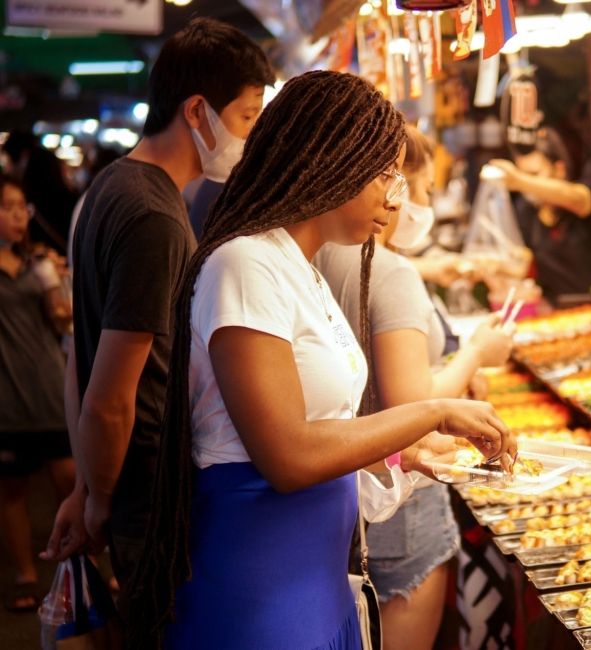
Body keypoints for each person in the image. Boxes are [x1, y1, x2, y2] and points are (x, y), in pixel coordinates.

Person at [125, 71, 516, 650]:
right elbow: (285, 456)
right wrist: (431, 413)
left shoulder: (298, 265)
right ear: (328, 161)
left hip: (317, 577)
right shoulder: (244, 265)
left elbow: (320, 431)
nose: (394, 198)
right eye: (384, 175)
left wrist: (405, 455)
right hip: (261, 588)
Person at [40, 18, 275, 622]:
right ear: (198, 110)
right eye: (247, 117)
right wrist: (104, 502)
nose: (249, 137)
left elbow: (81, 358)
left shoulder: (108, 188)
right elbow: (112, 397)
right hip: (147, 496)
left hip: (123, 488)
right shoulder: (155, 219)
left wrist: (87, 486)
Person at [315, 126, 514, 650]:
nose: (418, 205)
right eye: (419, 189)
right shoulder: (391, 272)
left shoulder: (320, 253)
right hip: (401, 502)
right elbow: (415, 409)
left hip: (349, 498)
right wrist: (475, 354)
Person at [0, 175, 74, 612]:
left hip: (48, 389)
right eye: (7, 206)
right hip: (7, 400)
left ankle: (74, 563)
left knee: (68, 480)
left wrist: (55, 285)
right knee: (12, 491)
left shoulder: (39, 262)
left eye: (20, 208)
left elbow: (60, 319)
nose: (16, 216)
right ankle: (25, 573)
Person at [489, 127, 591, 304]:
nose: (527, 184)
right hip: (556, 315)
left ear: (559, 169)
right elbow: (521, 265)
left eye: (534, 174)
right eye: (522, 173)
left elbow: (577, 198)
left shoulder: (581, 196)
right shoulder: (526, 212)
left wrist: (519, 180)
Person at [2, 132, 79, 254]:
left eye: (22, 206)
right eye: (9, 207)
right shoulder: (48, 160)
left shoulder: (32, 188)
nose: (19, 215)